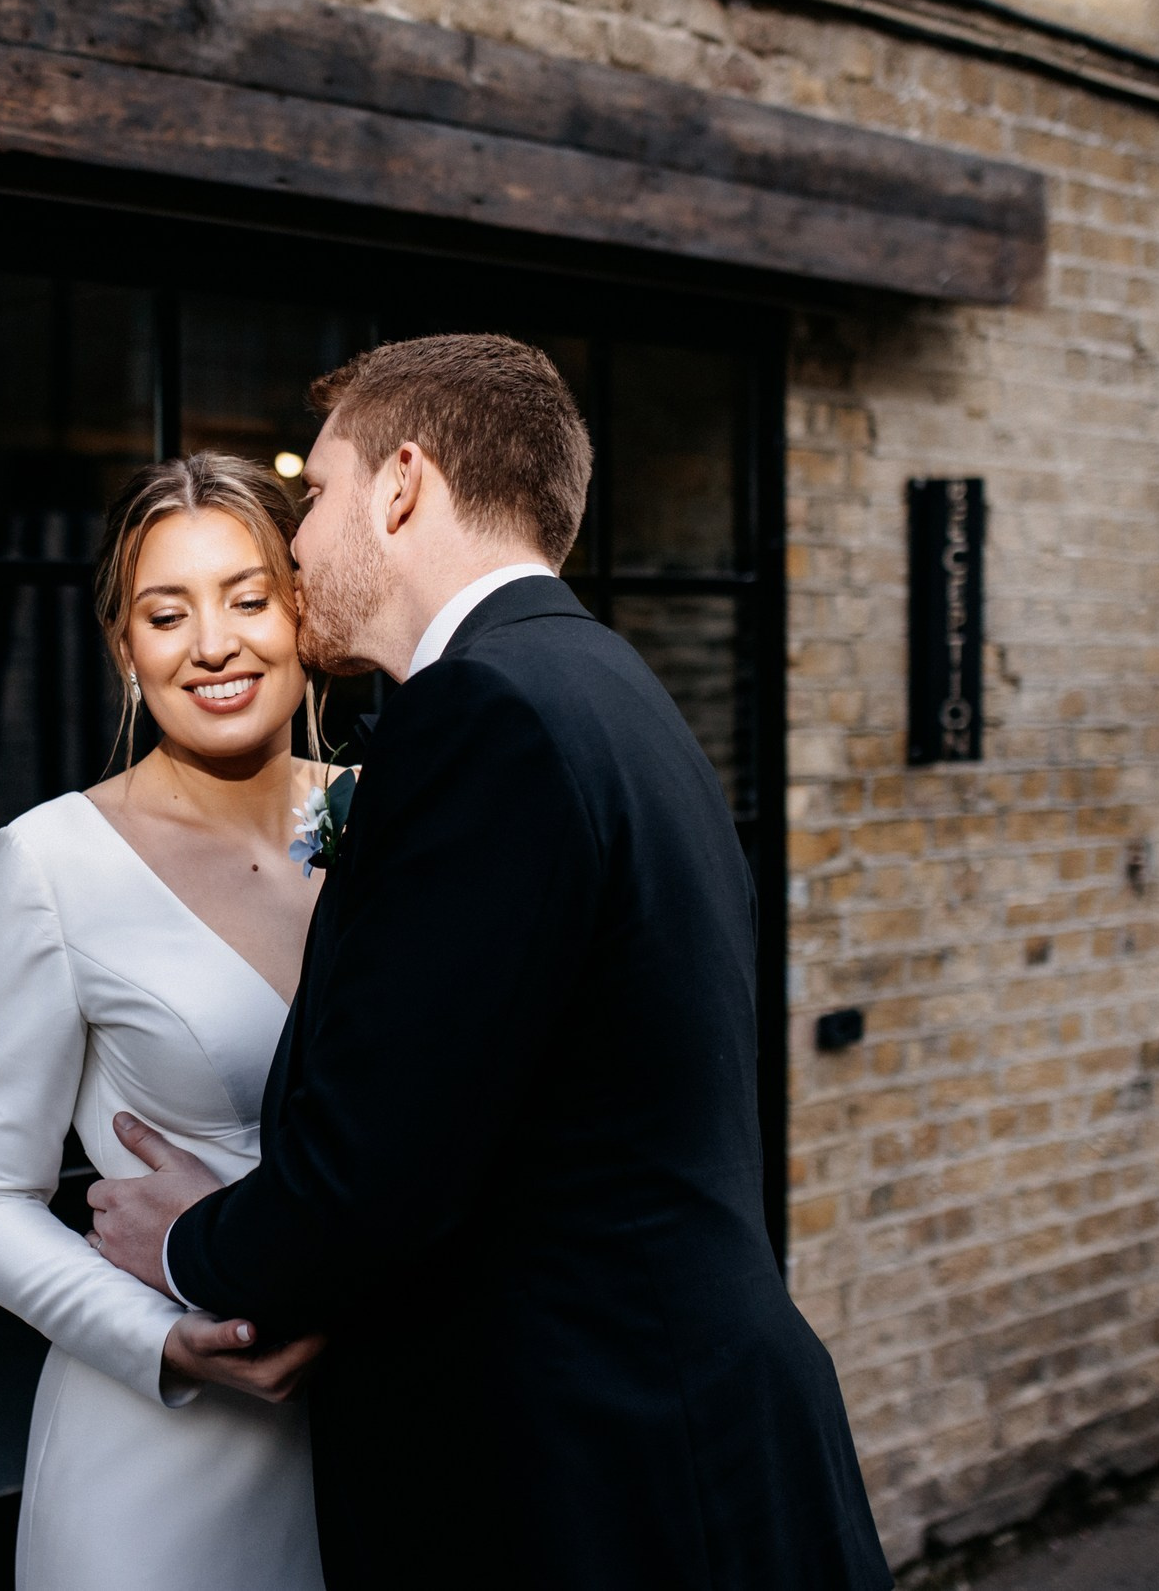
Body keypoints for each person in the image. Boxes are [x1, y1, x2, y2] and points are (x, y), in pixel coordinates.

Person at [90, 335, 892, 1589]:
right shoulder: (607, 683)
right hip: (683, 1428)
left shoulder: (483, 717)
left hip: (587, 1475)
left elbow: (384, 1164)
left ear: (401, 485)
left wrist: (192, 1241)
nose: (296, 547)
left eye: (318, 494)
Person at [0, 453, 336, 1591]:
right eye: (167, 612)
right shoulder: (51, 861)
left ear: (303, 612)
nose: (214, 643)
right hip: (160, 1468)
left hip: (378, 1435)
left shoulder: (384, 813)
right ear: (124, 646)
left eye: (249, 598)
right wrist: (159, 1338)